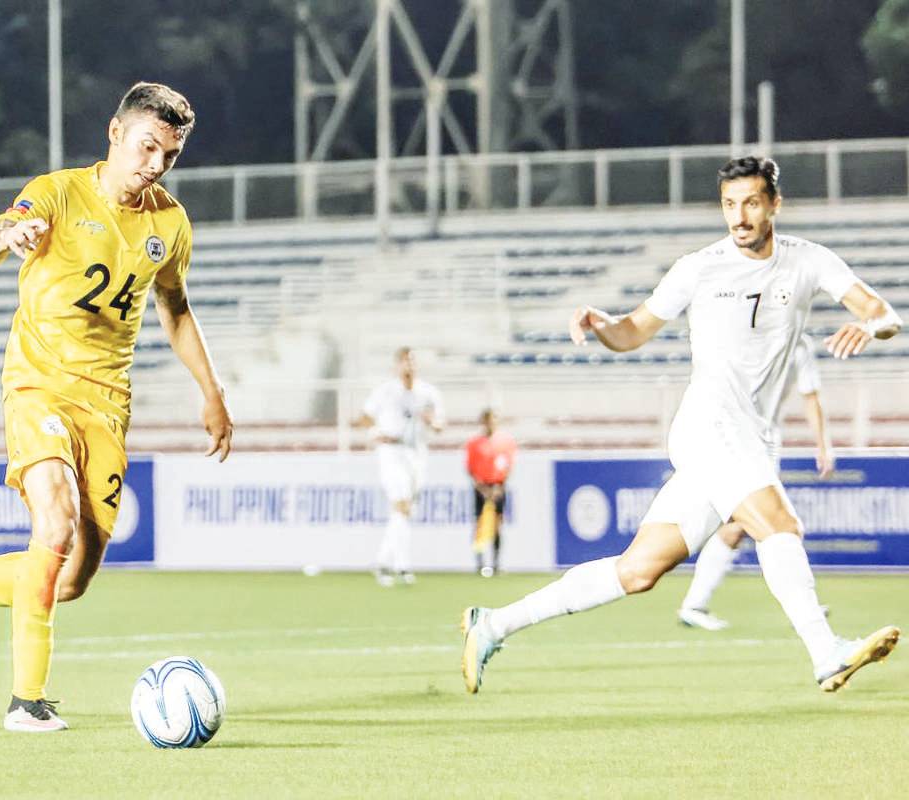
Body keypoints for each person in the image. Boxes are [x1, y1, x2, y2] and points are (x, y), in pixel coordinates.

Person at [462, 156, 901, 694]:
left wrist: (870, 326)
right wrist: (603, 325)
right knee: (779, 525)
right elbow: (632, 334)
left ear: (774, 205)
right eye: (729, 204)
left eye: (751, 203)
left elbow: (884, 313)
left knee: (638, 571)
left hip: (749, 436)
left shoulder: (808, 261)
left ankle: (493, 624)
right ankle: (825, 651)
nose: (739, 216)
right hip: (709, 426)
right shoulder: (698, 267)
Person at [0, 82, 234, 732]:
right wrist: (10, 235)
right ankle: (27, 701)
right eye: (146, 147)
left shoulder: (169, 224)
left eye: (168, 155)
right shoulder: (57, 192)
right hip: (39, 384)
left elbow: (175, 309)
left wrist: (214, 392)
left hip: (107, 407)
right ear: (115, 134)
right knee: (52, 527)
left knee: (68, 578)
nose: (154, 164)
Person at [678, 334, 834, 630]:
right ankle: (800, 605)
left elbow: (810, 396)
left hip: (765, 441)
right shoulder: (741, 333)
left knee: (747, 525)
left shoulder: (799, 344)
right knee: (756, 522)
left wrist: (823, 445)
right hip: (731, 436)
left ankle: (694, 604)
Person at [354, 347, 445, 586]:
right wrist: (376, 433)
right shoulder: (385, 391)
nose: (409, 366)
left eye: (412, 361)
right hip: (392, 451)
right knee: (401, 505)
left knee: (405, 511)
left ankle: (386, 561)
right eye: (405, 361)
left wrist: (432, 422)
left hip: (417, 452)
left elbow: (440, 424)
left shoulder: (427, 392)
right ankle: (401, 565)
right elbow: (364, 417)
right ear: (397, 365)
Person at [465, 409, 517, 577]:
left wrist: (498, 486)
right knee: (480, 524)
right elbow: (471, 469)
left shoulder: (506, 442)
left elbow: (508, 466)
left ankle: (496, 563)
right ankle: (480, 563)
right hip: (482, 488)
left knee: (497, 525)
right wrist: (482, 488)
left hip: (498, 487)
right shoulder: (474, 443)